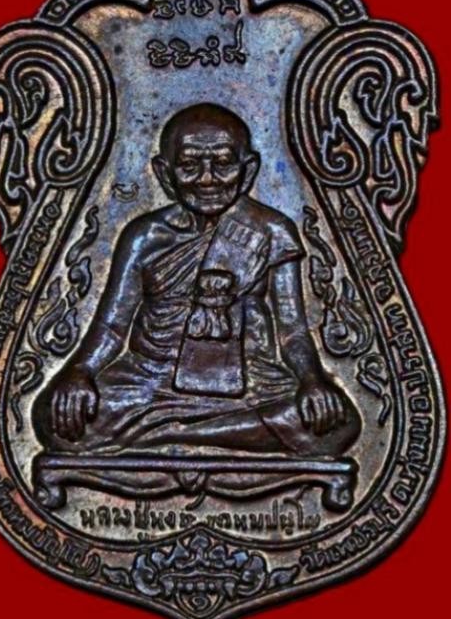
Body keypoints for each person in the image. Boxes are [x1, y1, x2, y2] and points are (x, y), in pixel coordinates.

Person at [33, 104, 360, 492]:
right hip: (152, 379)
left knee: (336, 423)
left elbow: (292, 331)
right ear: (164, 173)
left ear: (248, 170)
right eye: (189, 165)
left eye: (223, 164)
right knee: (54, 418)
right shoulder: (145, 236)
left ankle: (166, 436)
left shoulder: (270, 231)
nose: (207, 179)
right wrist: (80, 372)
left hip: (248, 382)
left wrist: (312, 380)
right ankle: (213, 436)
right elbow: (112, 325)